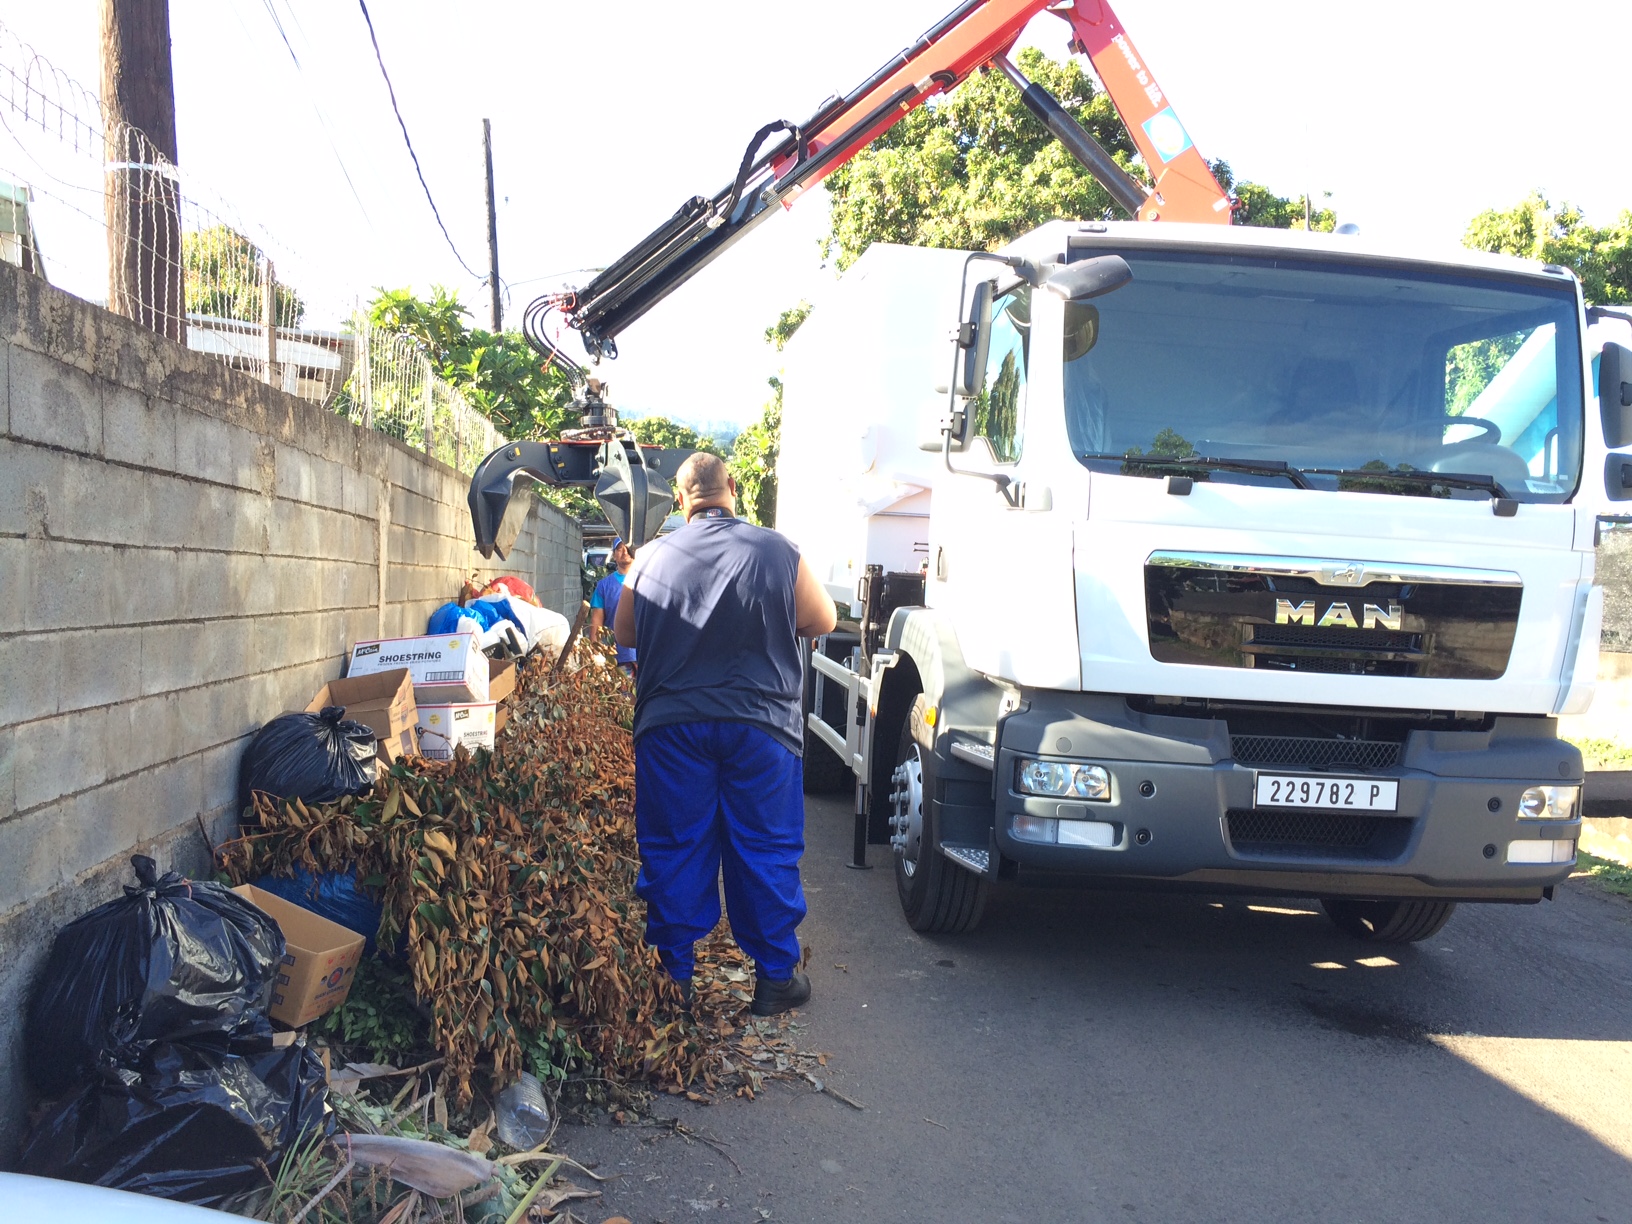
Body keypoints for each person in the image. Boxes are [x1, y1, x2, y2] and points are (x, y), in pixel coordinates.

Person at [614, 452, 837, 1015]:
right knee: (765, 846)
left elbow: (625, 631)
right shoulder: (778, 550)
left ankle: (675, 982)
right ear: (732, 488)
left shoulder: (651, 557)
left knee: (675, 844)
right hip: (761, 726)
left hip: (671, 728)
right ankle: (775, 980)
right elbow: (824, 620)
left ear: (681, 499)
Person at [588, 539, 636, 674]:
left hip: (645, 656)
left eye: (628, 548)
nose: (625, 552)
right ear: (614, 555)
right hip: (616, 657)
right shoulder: (604, 586)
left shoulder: (648, 581)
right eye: (620, 549)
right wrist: (595, 653)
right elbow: (596, 622)